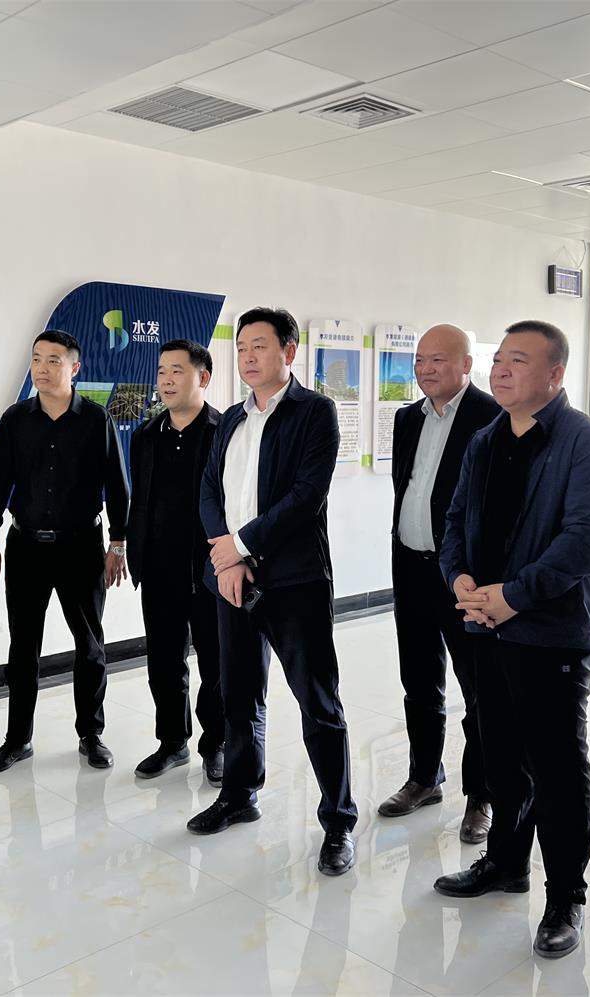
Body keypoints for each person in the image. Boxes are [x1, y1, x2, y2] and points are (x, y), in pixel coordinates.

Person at [433, 319, 590, 960]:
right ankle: (506, 863)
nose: (502, 370)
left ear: (555, 373)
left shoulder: (587, 443)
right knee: (500, 756)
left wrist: (513, 596)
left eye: (519, 360)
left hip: (549, 634)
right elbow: (454, 518)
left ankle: (566, 896)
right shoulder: (486, 438)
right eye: (499, 360)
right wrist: (459, 579)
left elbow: (584, 540)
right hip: (483, 626)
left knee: (558, 770)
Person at [185, 306, 359, 877]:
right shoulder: (232, 418)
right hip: (229, 579)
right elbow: (209, 490)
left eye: (259, 346)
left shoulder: (315, 412)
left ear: (289, 352)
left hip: (293, 581)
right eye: (241, 348)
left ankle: (338, 821)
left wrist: (240, 548)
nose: (248, 357)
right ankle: (239, 793)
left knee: (318, 703)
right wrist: (225, 555)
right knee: (238, 695)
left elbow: (305, 497)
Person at [0, 329, 129, 774]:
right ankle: (17, 739)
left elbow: (117, 487)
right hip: (25, 547)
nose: (42, 368)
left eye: (53, 360)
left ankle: (91, 735)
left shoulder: (96, 419)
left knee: (90, 645)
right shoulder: (16, 419)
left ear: (74, 368)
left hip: (82, 547)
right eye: (37, 359)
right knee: (23, 647)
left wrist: (117, 544)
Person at [379, 323, 501, 842]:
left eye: (438, 360)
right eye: (420, 360)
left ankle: (481, 794)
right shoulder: (407, 418)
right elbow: (406, 486)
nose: (426, 369)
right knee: (419, 681)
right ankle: (424, 777)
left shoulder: (491, 417)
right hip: (410, 567)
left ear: (466, 364)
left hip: (463, 578)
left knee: (478, 690)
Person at [126, 339, 224, 784]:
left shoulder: (223, 432)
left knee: (216, 664)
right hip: (159, 568)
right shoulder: (146, 435)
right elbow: (140, 501)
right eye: (162, 371)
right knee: (163, 661)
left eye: (177, 371)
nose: (166, 380)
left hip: (210, 569)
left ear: (203, 377)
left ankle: (216, 744)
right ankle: (172, 741)